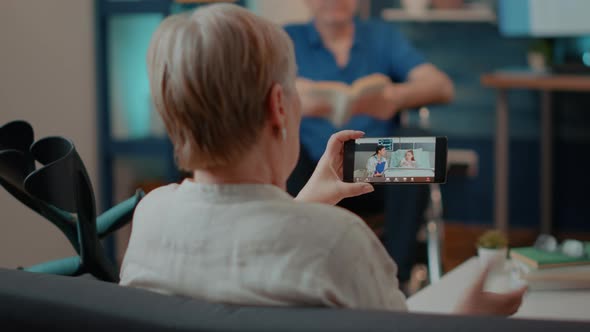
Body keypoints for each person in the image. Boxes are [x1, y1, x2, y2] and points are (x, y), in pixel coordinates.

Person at [120, 3, 526, 314]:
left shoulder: (149, 217)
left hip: (338, 187)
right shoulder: (340, 242)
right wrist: (469, 318)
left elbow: (245, 248)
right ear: (279, 106)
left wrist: (305, 204)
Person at [284, 0, 454, 285]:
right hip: (311, 171)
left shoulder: (381, 37)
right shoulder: (286, 39)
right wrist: (297, 99)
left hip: (372, 167)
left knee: (417, 147)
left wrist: (394, 98)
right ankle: (294, 275)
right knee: (283, 147)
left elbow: (441, 86)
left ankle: (395, 280)